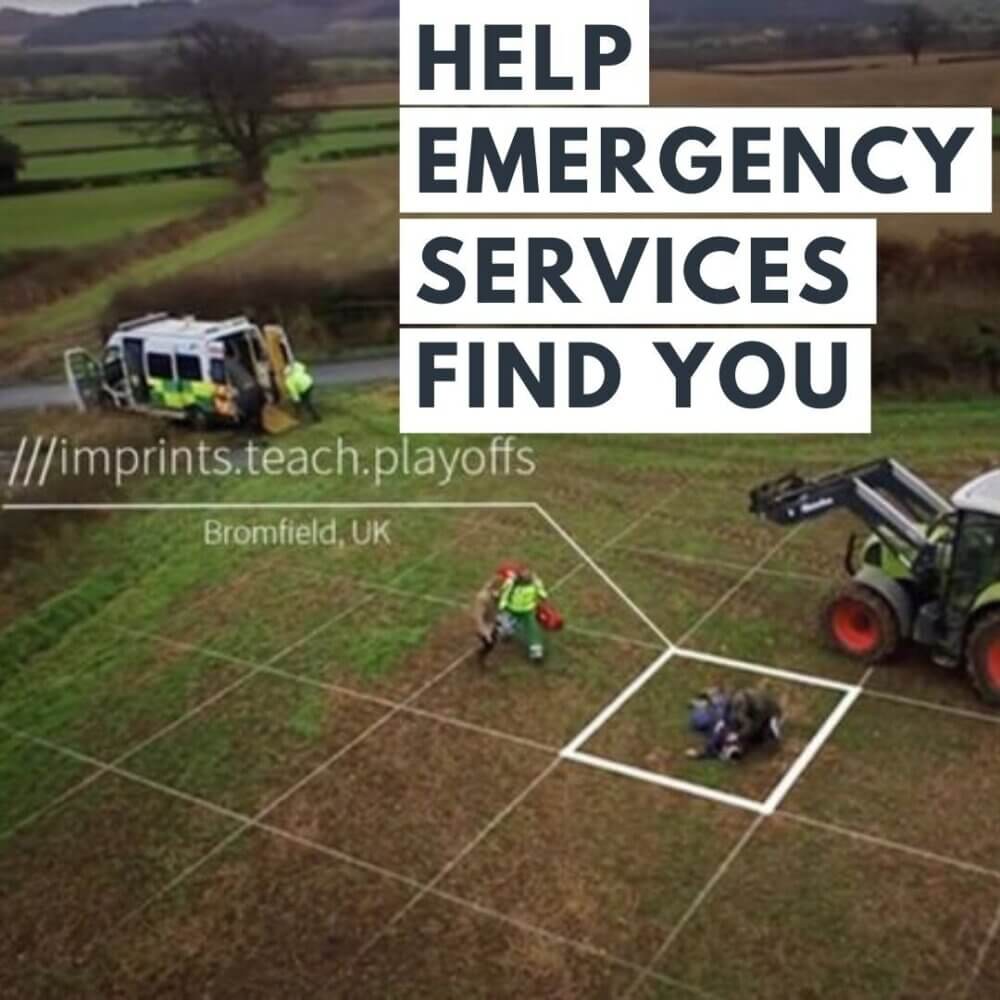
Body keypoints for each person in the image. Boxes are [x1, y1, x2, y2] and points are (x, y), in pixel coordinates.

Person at [687, 686, 783, 761]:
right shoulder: (733, 706)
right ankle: (707, 701)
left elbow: (753, 727)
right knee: (704, 719)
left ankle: (706, 702)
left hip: (760, 718)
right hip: (734, 722)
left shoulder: (758, 708)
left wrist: (738, 736)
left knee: (702, 720)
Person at [497, 567, 549, 664]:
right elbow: (505, 593)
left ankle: (536, 652)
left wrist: (543, 595)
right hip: (511, 609)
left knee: (532, 630)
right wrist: (502, 605)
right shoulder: (511, 583)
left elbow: (541, 591)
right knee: (505, 624)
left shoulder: (535, 583)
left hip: (528, 610)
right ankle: (506, 633)